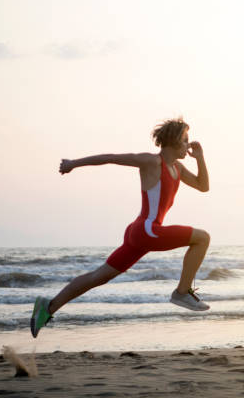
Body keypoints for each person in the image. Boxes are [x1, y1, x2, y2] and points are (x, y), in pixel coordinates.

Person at [30, 118, 211, 338]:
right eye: (185, 140)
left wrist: (200, 158)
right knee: (202, 238)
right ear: (173, 141)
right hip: (147, 230)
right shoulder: (152, 162)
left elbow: (203, 187)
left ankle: (47, 308)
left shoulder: (178, 169)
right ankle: (182, 293)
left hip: (139, 233)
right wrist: (73, 163)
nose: (188, 145)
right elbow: (111, 158)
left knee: (99, 276)